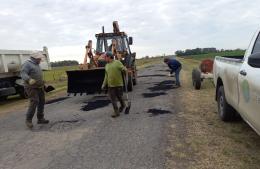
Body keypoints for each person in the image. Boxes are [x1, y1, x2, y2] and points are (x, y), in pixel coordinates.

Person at [21, 52, 49, 128]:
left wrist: (43, 83)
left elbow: (38, 75)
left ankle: (40, 118)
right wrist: (29, 79)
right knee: (34, 101)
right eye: (39, 58)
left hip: (40, 86)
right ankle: (28, 120)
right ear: (34, 58)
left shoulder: (37, 64)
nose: (40, 60)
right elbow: (23, 74)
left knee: (42, 102)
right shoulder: (27, 64)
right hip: (31, 87)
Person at [102, 51, 127, 118]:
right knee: (113, 99)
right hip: (111, 86)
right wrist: (104, 84)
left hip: (119, 84)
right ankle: (116, 112)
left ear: (109, 57)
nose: (104, 58)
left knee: (119, 97)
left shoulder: (117, 62)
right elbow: (106, 76)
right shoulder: (106, 66)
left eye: (105, 57)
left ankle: (123, 105)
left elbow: (123, 69)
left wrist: (124, 69)